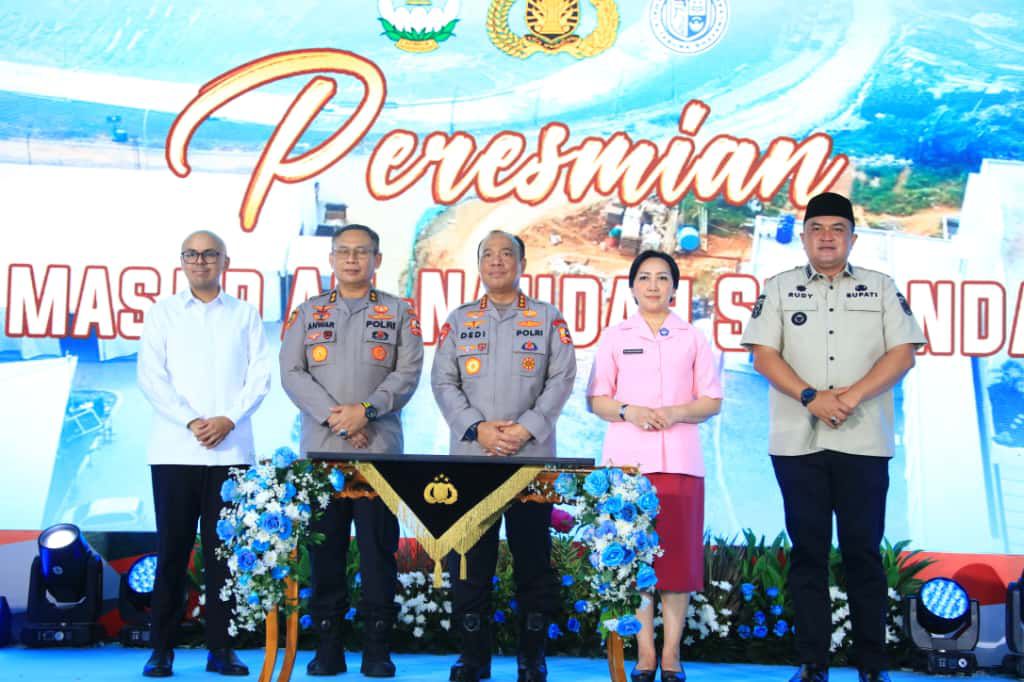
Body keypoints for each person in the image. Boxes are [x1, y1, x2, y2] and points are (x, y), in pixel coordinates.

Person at [741, 192, 926, 682]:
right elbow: (763, 355)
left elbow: (903, 353)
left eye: (837, 229)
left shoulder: (880, 287)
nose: (827, 237)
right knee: (808, 554)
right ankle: (812, 663)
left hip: (863, 442)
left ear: (852, 238)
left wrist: (850, 396)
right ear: (803, 237)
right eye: (817, 228)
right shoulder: (778, 288)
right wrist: (811, 397)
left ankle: (872, 665)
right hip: (798, 443)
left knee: (863, 553)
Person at [431, 230, 577, 682]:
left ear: (522, 264)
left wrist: (525, 428)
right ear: (479, 265)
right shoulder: (459, 320)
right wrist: (478, 428)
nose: (496, 262)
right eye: (488, 255)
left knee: (533, 562)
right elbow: (443, 382)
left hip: (529, 459)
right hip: (472, 460)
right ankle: (473, 658)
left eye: (506, 254)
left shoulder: (548, 318)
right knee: (469, 565)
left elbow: (561, 379)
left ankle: (532, 658)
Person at [280, 224, 424, 678]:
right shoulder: (308, 312)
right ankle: (328, 647)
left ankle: (377, 649)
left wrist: (366, 411)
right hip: (323, 451)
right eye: (343, 251)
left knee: (379, 553)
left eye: (362, 252)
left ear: (377, 260)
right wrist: (338, 420)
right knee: (326, 553)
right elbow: (292, 373)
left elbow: (407, 373)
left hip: (379, 451)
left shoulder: (399, 312)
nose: (352, 259)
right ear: (331, 259)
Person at [137, 230, 271, 677]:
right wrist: (192, 420)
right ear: (182, 262)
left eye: (209, 254)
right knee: (172, 554)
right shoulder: (163, 314)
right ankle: (161, 651)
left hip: (230, 452)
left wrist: (228, 419)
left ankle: (221, 650)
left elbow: (260, 377)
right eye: (192, 255)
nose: (200, 261)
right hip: (175, 451)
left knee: (224, 559)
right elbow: (151, 377)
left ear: (225, 262)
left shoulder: (245, 314)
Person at [586, 250, 722, 682]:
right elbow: (597, 399)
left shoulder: (693, 337)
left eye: (662, 278)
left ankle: (671, 655)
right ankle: (644, 654)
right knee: (635, 562)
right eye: (644, 277)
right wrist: (630, 411)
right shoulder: (615, 336)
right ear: (632, 287)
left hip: (680, 462)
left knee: (677, 566)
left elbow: (712, 400)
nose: (653, 285)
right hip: (627, 466)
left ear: (675, 288)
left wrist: (676, 412)